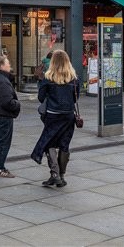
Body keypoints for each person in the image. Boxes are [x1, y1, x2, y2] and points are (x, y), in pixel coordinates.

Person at [30, 50, 78, 188]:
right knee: (64, 144)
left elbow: (40, 97)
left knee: (49, 142)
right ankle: (61, 176)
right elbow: (75, 98)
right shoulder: (73, 78)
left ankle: (55, 174)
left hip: (52, 115)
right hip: (68, 115)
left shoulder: (48, 78)